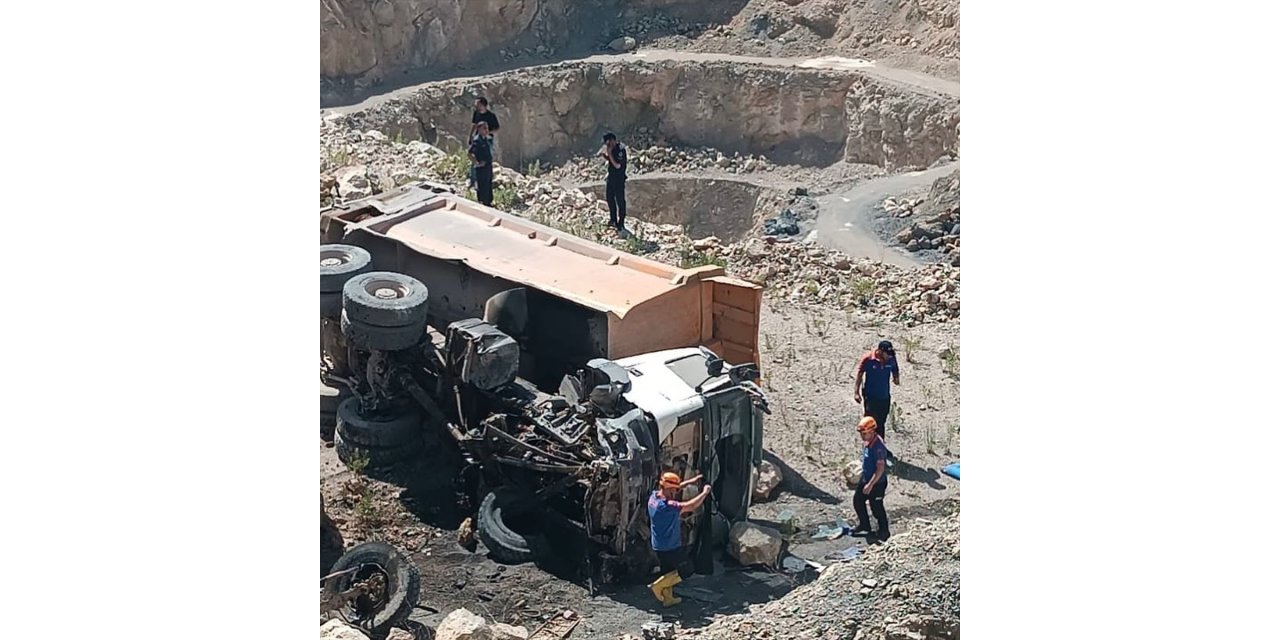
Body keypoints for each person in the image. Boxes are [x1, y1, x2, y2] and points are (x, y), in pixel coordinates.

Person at [647, 471, 710, 607]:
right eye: (674, 490)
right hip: (670, 546)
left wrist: (690, 482)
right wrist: (705, 493)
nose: (676, 492)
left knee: (668, 572)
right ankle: (657, 586)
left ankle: (667, 599)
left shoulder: (653, 497)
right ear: (669, 489)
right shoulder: (667, 507)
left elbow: (673, 489)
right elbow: (691, 505)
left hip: (658, 544)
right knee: (686, 570)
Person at [854, 340, 900, 466]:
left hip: (884, 396)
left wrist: (896, 378)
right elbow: (860, 374)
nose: (889, 356)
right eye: (887, 354)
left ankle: (880, 448)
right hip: (871, 396)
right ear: (880, 351)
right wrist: (856, 392)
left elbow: (895, 369)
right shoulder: (869, 359)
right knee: (869, 423)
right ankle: (868, 449)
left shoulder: (891, 359)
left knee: (881, 423)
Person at [850, 417, 890, 541]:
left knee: (876, 507)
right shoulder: (869, 442)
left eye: (865, 433)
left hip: (877, 483)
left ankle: (884, 530)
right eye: (861, 434)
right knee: (858, 500)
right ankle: (864, 525)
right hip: (866, 478)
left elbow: (880, 468)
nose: (862, 436)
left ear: (872, 432)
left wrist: (871, 484)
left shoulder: (878, 447)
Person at [599, 132, 628, 230]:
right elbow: (612, 161)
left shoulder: (620, 150)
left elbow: (617, 165)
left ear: (613, 141)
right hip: (611, 178)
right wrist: (606, 156)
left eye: (609, 143)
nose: (608, 145)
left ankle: (621, 222)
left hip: (619, 179)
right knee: (610, 198)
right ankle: (613, 219)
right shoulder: (613, 149)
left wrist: (610, 153)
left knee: (620, 200)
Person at [469, 97, 500, 188]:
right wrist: (471, 136)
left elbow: (497, 128)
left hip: (488, 140)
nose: (476, 106)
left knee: (487, 159)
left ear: (483, 105)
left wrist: (487, 133)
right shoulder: (476, 113)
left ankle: (487, 179)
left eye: (478, 104)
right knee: (475, 158)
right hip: (477, 139)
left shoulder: (491, 116)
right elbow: (474, 125)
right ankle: (474, 179)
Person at [469, 121, 494, 206]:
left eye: (487, 128)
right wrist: (477, 163)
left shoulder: (487, 139)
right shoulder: (477, 141)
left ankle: (489, 201)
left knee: (488, 183)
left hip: (488, 166)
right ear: (479, 129)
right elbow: (470, 154)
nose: (487, 130)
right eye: (484, 128)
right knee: (482, 184)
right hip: (481, 168)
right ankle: (483, 202)